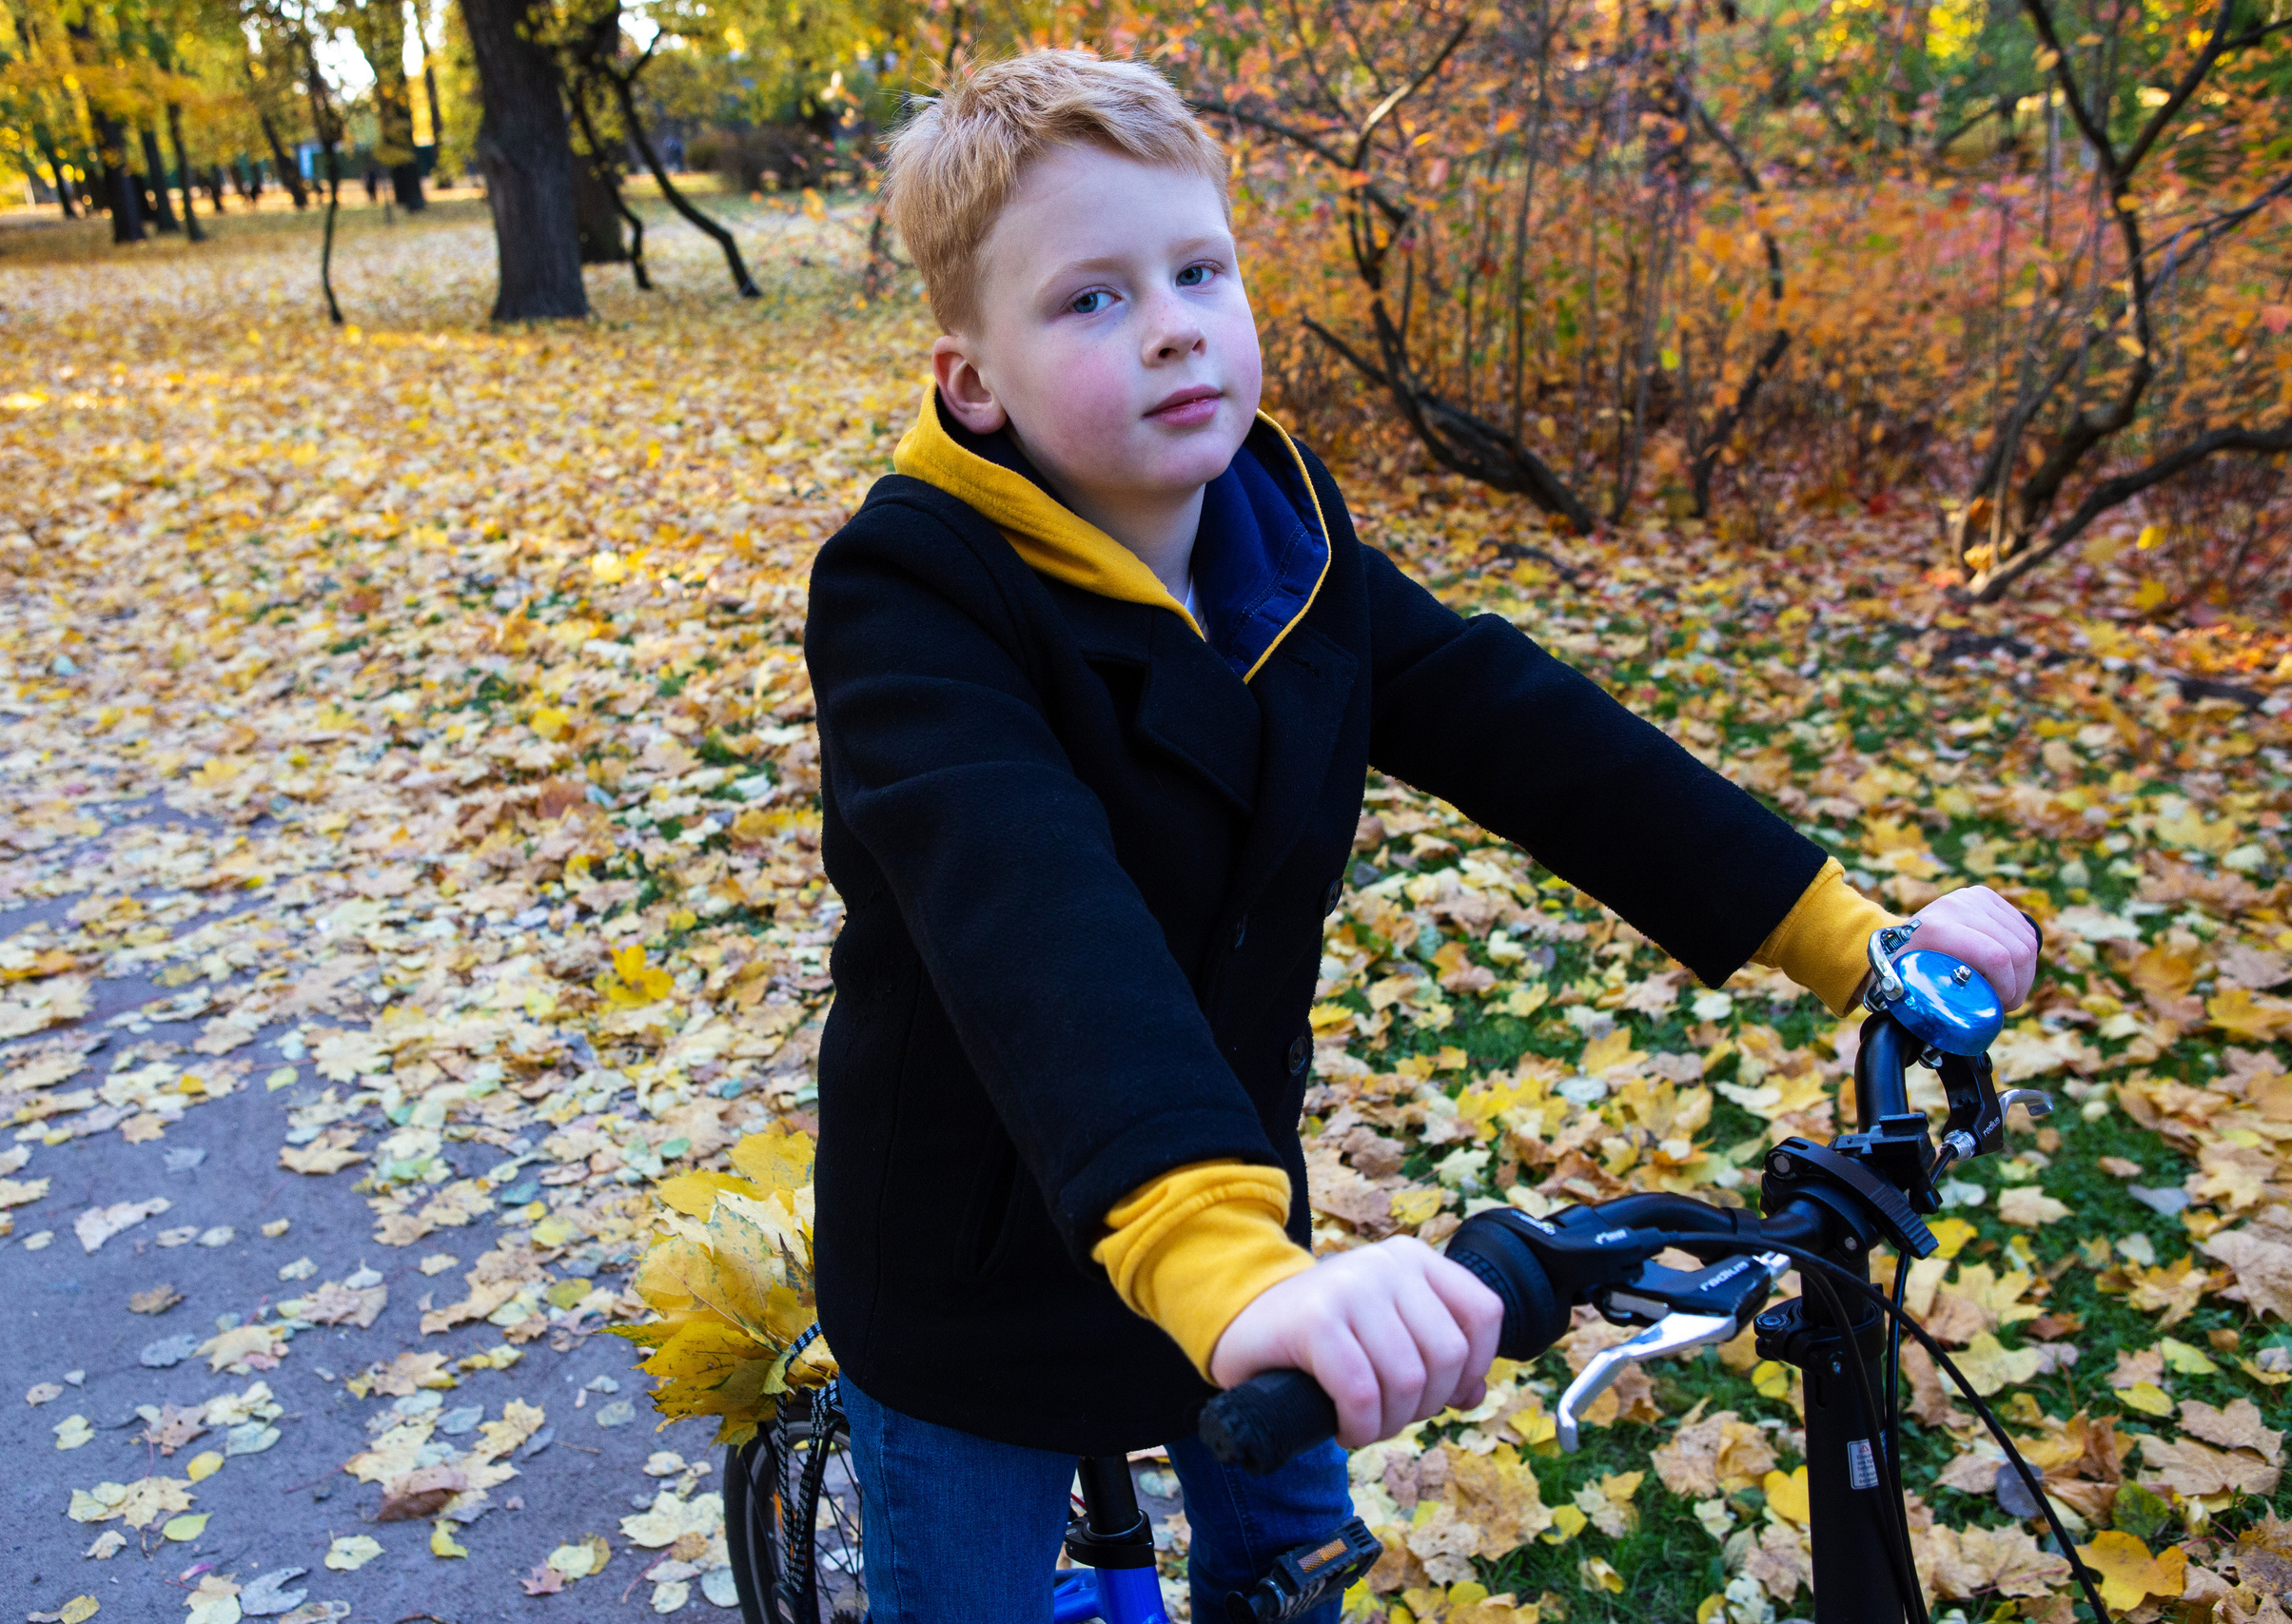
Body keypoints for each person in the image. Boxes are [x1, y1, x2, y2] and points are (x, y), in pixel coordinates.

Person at [802, 48, 2043, 1623]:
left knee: (1297, 1578)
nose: (1177, 319)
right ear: (970, 382)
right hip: (995, 1262)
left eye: (1199, 268)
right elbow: (1027, 907)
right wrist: (1223, 1252)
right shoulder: (913, 594)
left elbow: (1528, 732)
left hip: (1248, 1222)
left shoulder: (1283, 533)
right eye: (1091, 299)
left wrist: (1852, 933)